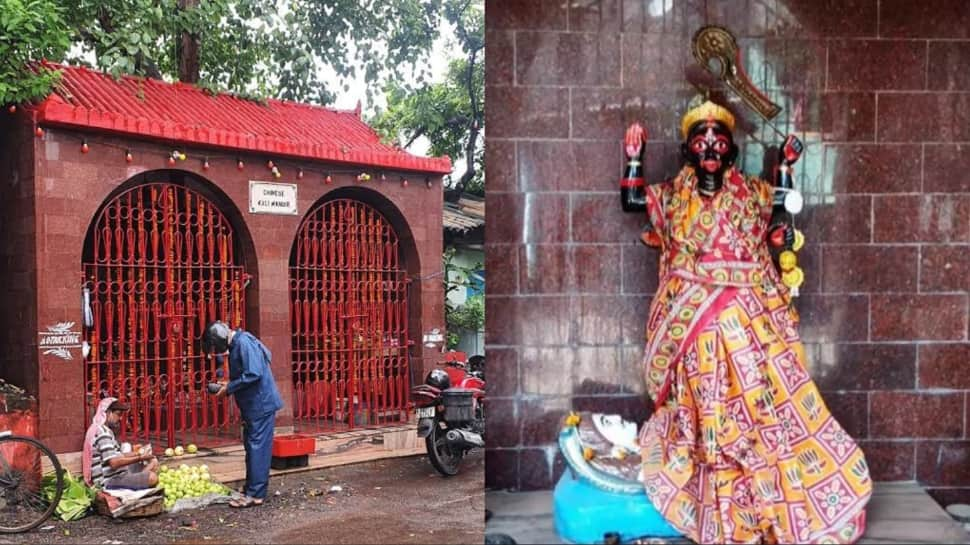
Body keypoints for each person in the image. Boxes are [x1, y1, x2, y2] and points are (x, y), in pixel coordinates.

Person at [620, 100, 871, 544]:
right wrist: (634, 157)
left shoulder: (751, 192)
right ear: (688, 150)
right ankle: (713, 484)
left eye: (719, 140)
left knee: (761, 401)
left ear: (731, 149)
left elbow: (781, 201)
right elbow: (633, 199)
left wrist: (786, 164)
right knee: (702, 401)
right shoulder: (674, 194)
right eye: (701, 140)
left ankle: (771, 483)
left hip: (749, 320)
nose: (711, 147)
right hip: (691, 320)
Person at [204, 320, 283, 508]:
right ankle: (251, 488)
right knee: (252, 446)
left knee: (257, 448)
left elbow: (254, 373)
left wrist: (229, 388)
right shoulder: (240, 342)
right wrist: (229, 384)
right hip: (255, 405)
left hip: (260, 405)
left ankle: (255, 494)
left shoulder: (243, 342)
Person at [82, 397, 159, 490]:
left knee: (153, 462)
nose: (120, 418)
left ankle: (137, 483)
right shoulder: (102, 433)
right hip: (109, 481)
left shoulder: (101, 429)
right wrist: (140, 458)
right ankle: (137, 484)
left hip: (117, 474)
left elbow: (117, 455)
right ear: (108, 413)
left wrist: (138, 453)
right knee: (152, 477)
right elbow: (114, 463)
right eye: (118, 414)